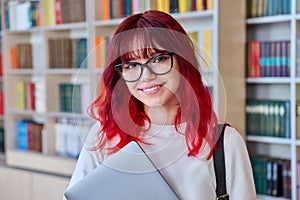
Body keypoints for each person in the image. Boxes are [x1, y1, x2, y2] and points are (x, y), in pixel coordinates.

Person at [66, 10, 256, 200]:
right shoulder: (105, 134)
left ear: (183, 61)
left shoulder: (225, 142)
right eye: (131, 65)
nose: (146, 76)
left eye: (158, 59)